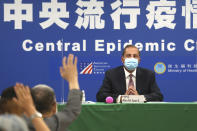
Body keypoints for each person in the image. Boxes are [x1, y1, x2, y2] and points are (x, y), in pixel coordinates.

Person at [31, 54, 82, 131]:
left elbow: (73, 109)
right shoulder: (54, 123)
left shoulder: (20, 124)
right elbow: (73, 109)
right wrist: (73, 79)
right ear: (54, 106)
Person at [96, 45, 163, 103]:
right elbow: (101, 95)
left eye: (135, 56)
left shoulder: (148, 74)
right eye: (128, 56)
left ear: (139, 60)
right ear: (122, 59)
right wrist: (121, 98)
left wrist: (140, 98)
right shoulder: (111, 74)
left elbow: (158, 96)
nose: (132, 58)